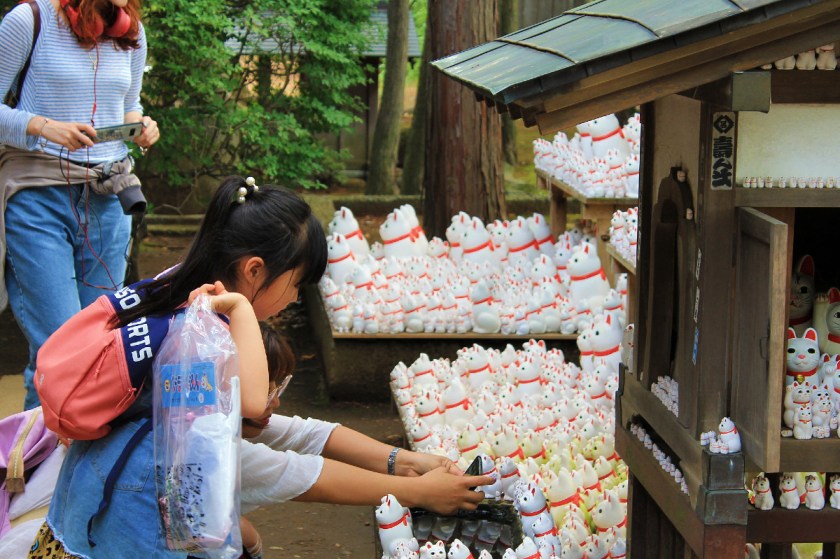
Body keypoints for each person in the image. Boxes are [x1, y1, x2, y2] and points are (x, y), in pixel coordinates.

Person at [27, 177, 487, 559]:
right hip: (118, 533)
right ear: (253, 270)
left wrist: (401, 461)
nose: (292, 298)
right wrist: (417, 492)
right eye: (295, 283)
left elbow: (283, 428)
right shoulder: (202, 337)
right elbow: (273, 448)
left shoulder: (184, 289)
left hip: (89, 508)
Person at [0, 0, 160, 410]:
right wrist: (42, 126)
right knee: (61, 349)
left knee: (100, 345)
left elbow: (129, 104)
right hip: (38, 197)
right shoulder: (29, 20)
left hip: (109, 198)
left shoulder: (130, 31)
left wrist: (139, 124)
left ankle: (72, 465)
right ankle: (36, 469)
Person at [234, 324, 490, 559]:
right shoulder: (217, 450)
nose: (276, 402)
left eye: (277, 388)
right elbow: (304, 476)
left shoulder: (227, 417)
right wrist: (420, 491)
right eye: (265, 391)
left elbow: (310, 434)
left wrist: (406, 460)